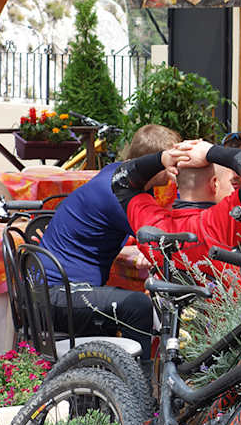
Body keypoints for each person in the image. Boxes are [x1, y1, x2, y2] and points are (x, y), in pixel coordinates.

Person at [39, 124, 182, 360]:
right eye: (170, 164)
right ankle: (137, 390)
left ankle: (114, 379)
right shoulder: (118, 193)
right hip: (59, 295)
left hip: (51, 287)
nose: (173, 171)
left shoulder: (119, 175)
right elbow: (160, 241)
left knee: (132, 301)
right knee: (138, 306)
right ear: (153, 163)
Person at [111, 139, 241, 268]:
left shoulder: (151, 223)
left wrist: (162, 159)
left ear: (176, 182)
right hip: (230, 318)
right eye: (231, 182)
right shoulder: (223, 220)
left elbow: (120, 181)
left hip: (172, 317)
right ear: (214, 184)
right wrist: (211, 151)